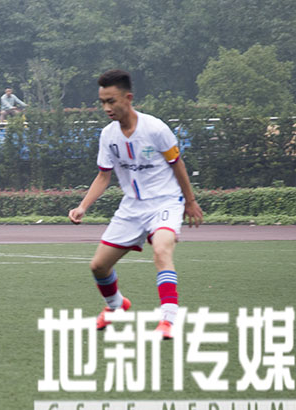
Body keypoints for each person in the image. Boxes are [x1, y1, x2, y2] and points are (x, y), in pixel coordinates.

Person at [68, 69, 203, 339]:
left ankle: (168, 319)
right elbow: (103, 176)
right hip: (132, 208)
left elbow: (177, 165)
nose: (106, 108)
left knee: (161, 251)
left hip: (165, 202)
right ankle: (116, 305)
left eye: (111, 101)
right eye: (102, 102)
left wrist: (190, 201)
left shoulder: (156, 129)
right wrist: (83, 206)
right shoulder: (108, 135)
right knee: (98, 267)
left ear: (128, 98)